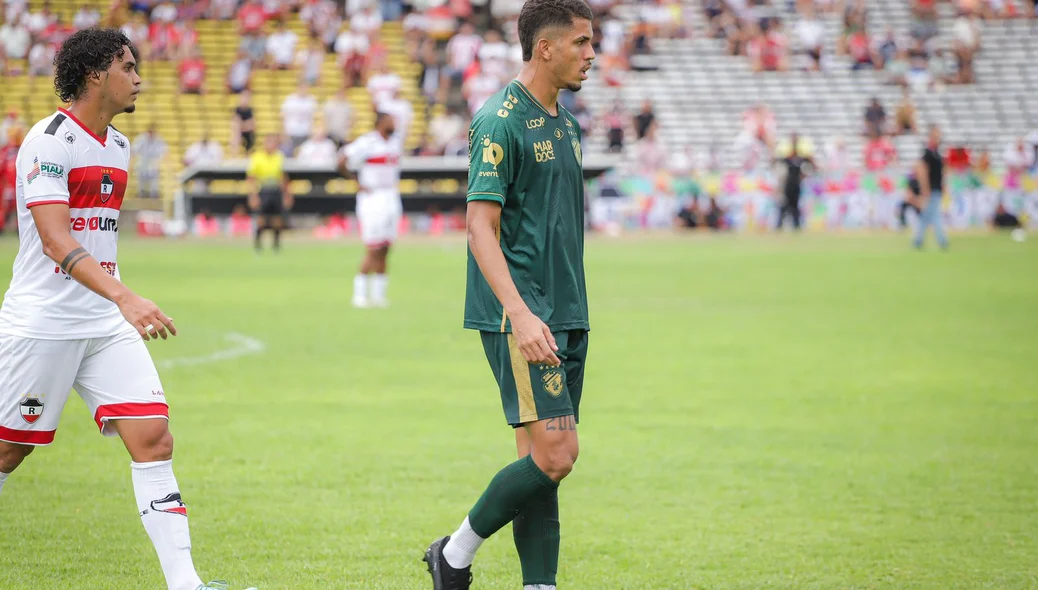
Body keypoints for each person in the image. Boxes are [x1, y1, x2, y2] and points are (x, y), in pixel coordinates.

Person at [0, 29, 254, 590]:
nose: (138, 77)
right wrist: (125, 294)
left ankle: (187, 585)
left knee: (154, 438)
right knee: (9, 452)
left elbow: (97, 241)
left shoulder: (118, 145)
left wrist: (116, 298)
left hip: (104, 323)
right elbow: (56, 241)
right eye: (129, 66)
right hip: (44, 321)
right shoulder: (48, 142)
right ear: (96, 74)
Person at [422, 0, 595, 588]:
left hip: (567, 311)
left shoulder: (567, 121)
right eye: (581, 43)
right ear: (544, 47)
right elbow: (478, 227)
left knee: (539, 460)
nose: (591, 55)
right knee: (556, 454)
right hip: (523, 314)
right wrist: (519, 312)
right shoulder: (499, 119)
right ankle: (454, 553)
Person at [339, 112, 403, 308]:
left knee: (386, 246)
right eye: (390, 120)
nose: (394, 123)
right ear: (380, 123)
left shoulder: (395, 143)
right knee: (373, 246)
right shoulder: (367, 142)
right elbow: (342, 159)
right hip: (373, 197)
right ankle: (359, 293)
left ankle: (379, 295)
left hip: (391, 195)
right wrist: (356, 183)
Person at [246, 133, 292, 253]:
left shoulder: (279, 157)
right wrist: (253, 195)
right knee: (261, 219)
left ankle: (276, 245)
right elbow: (251, 178)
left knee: (277, 219)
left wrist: (287, 194)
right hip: (263, 191)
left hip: (276, 191)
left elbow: (283, 177)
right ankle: (258, 245)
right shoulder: (257, 157)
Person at [913, 126, 949, 250]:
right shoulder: (928, 153)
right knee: (935, 216)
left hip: (936, 189)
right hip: (931, 190)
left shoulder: (937, 153)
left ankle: (918, 240)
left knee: (926, 216)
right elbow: (922, 171)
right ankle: (942, 240)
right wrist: (925, 189)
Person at [775, 133, 814, 231]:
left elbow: (811, 163)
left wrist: (804, 176)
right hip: (788, 185)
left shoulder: (801, 159)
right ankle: (779, 225)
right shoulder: (786, 159)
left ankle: (797, 226)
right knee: (784, 206)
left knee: (795, 206)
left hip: (796, 185)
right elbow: (777, 163)